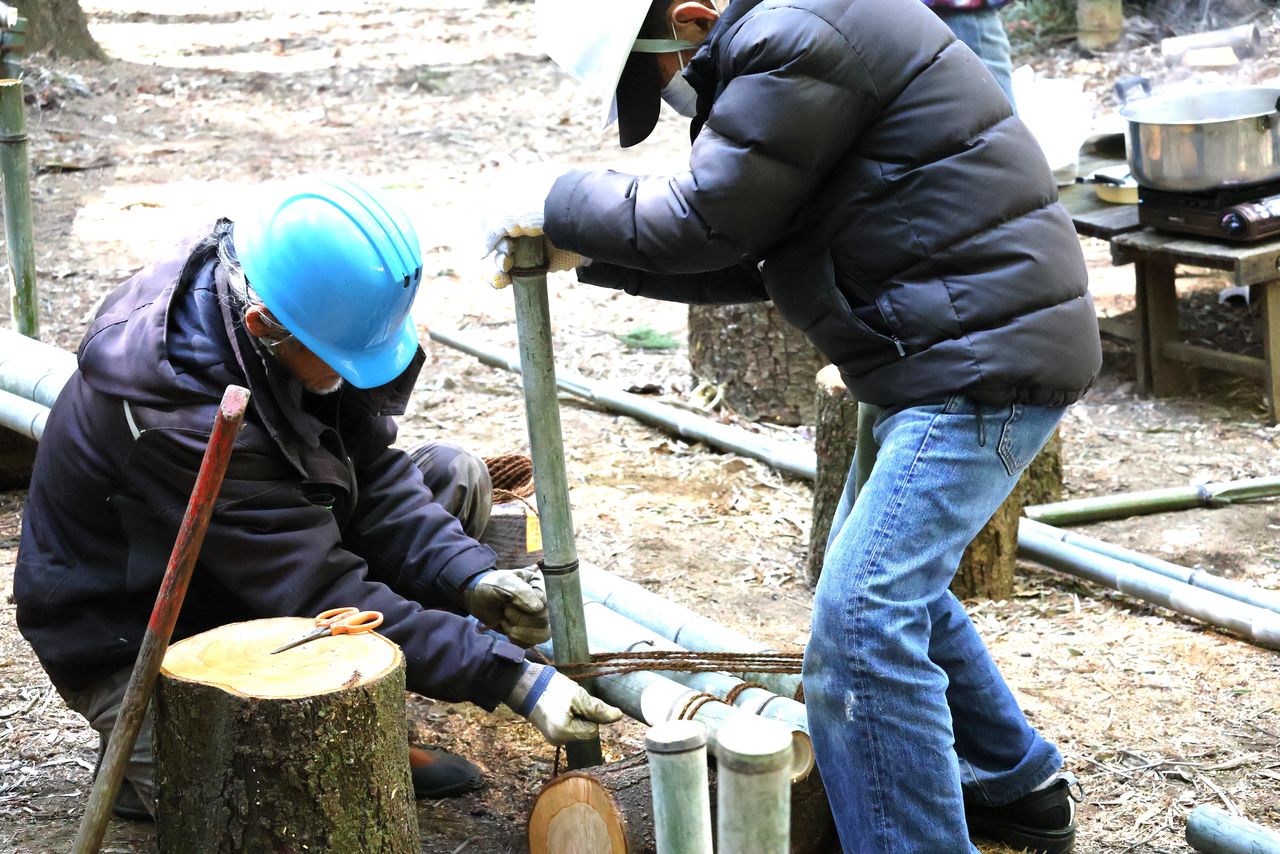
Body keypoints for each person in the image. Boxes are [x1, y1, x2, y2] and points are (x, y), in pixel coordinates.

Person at [485, 1, 1101, 851]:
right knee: (882, 590)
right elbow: (750, 252)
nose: (668, 97)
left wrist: (557, 200)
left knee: (860, 627)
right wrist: (592, 255)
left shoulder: (795, 35)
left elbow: (707, 221)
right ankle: (1016, 785)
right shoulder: (789, 38)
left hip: (975, 362)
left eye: (654, 73)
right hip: (943, 350)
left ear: (691, 20)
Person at [16, 176, 620, 821]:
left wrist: (468, 577)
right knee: (263, 808)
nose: (348, 376)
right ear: (264, 327)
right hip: (140, 634)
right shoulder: (184, 417)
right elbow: (313, 592)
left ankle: (359, 706)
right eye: (338, 361)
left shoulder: (290, 304)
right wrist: (512, 678)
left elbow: (376, 473)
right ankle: (180, 747)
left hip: (245, 563)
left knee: (452, 475)